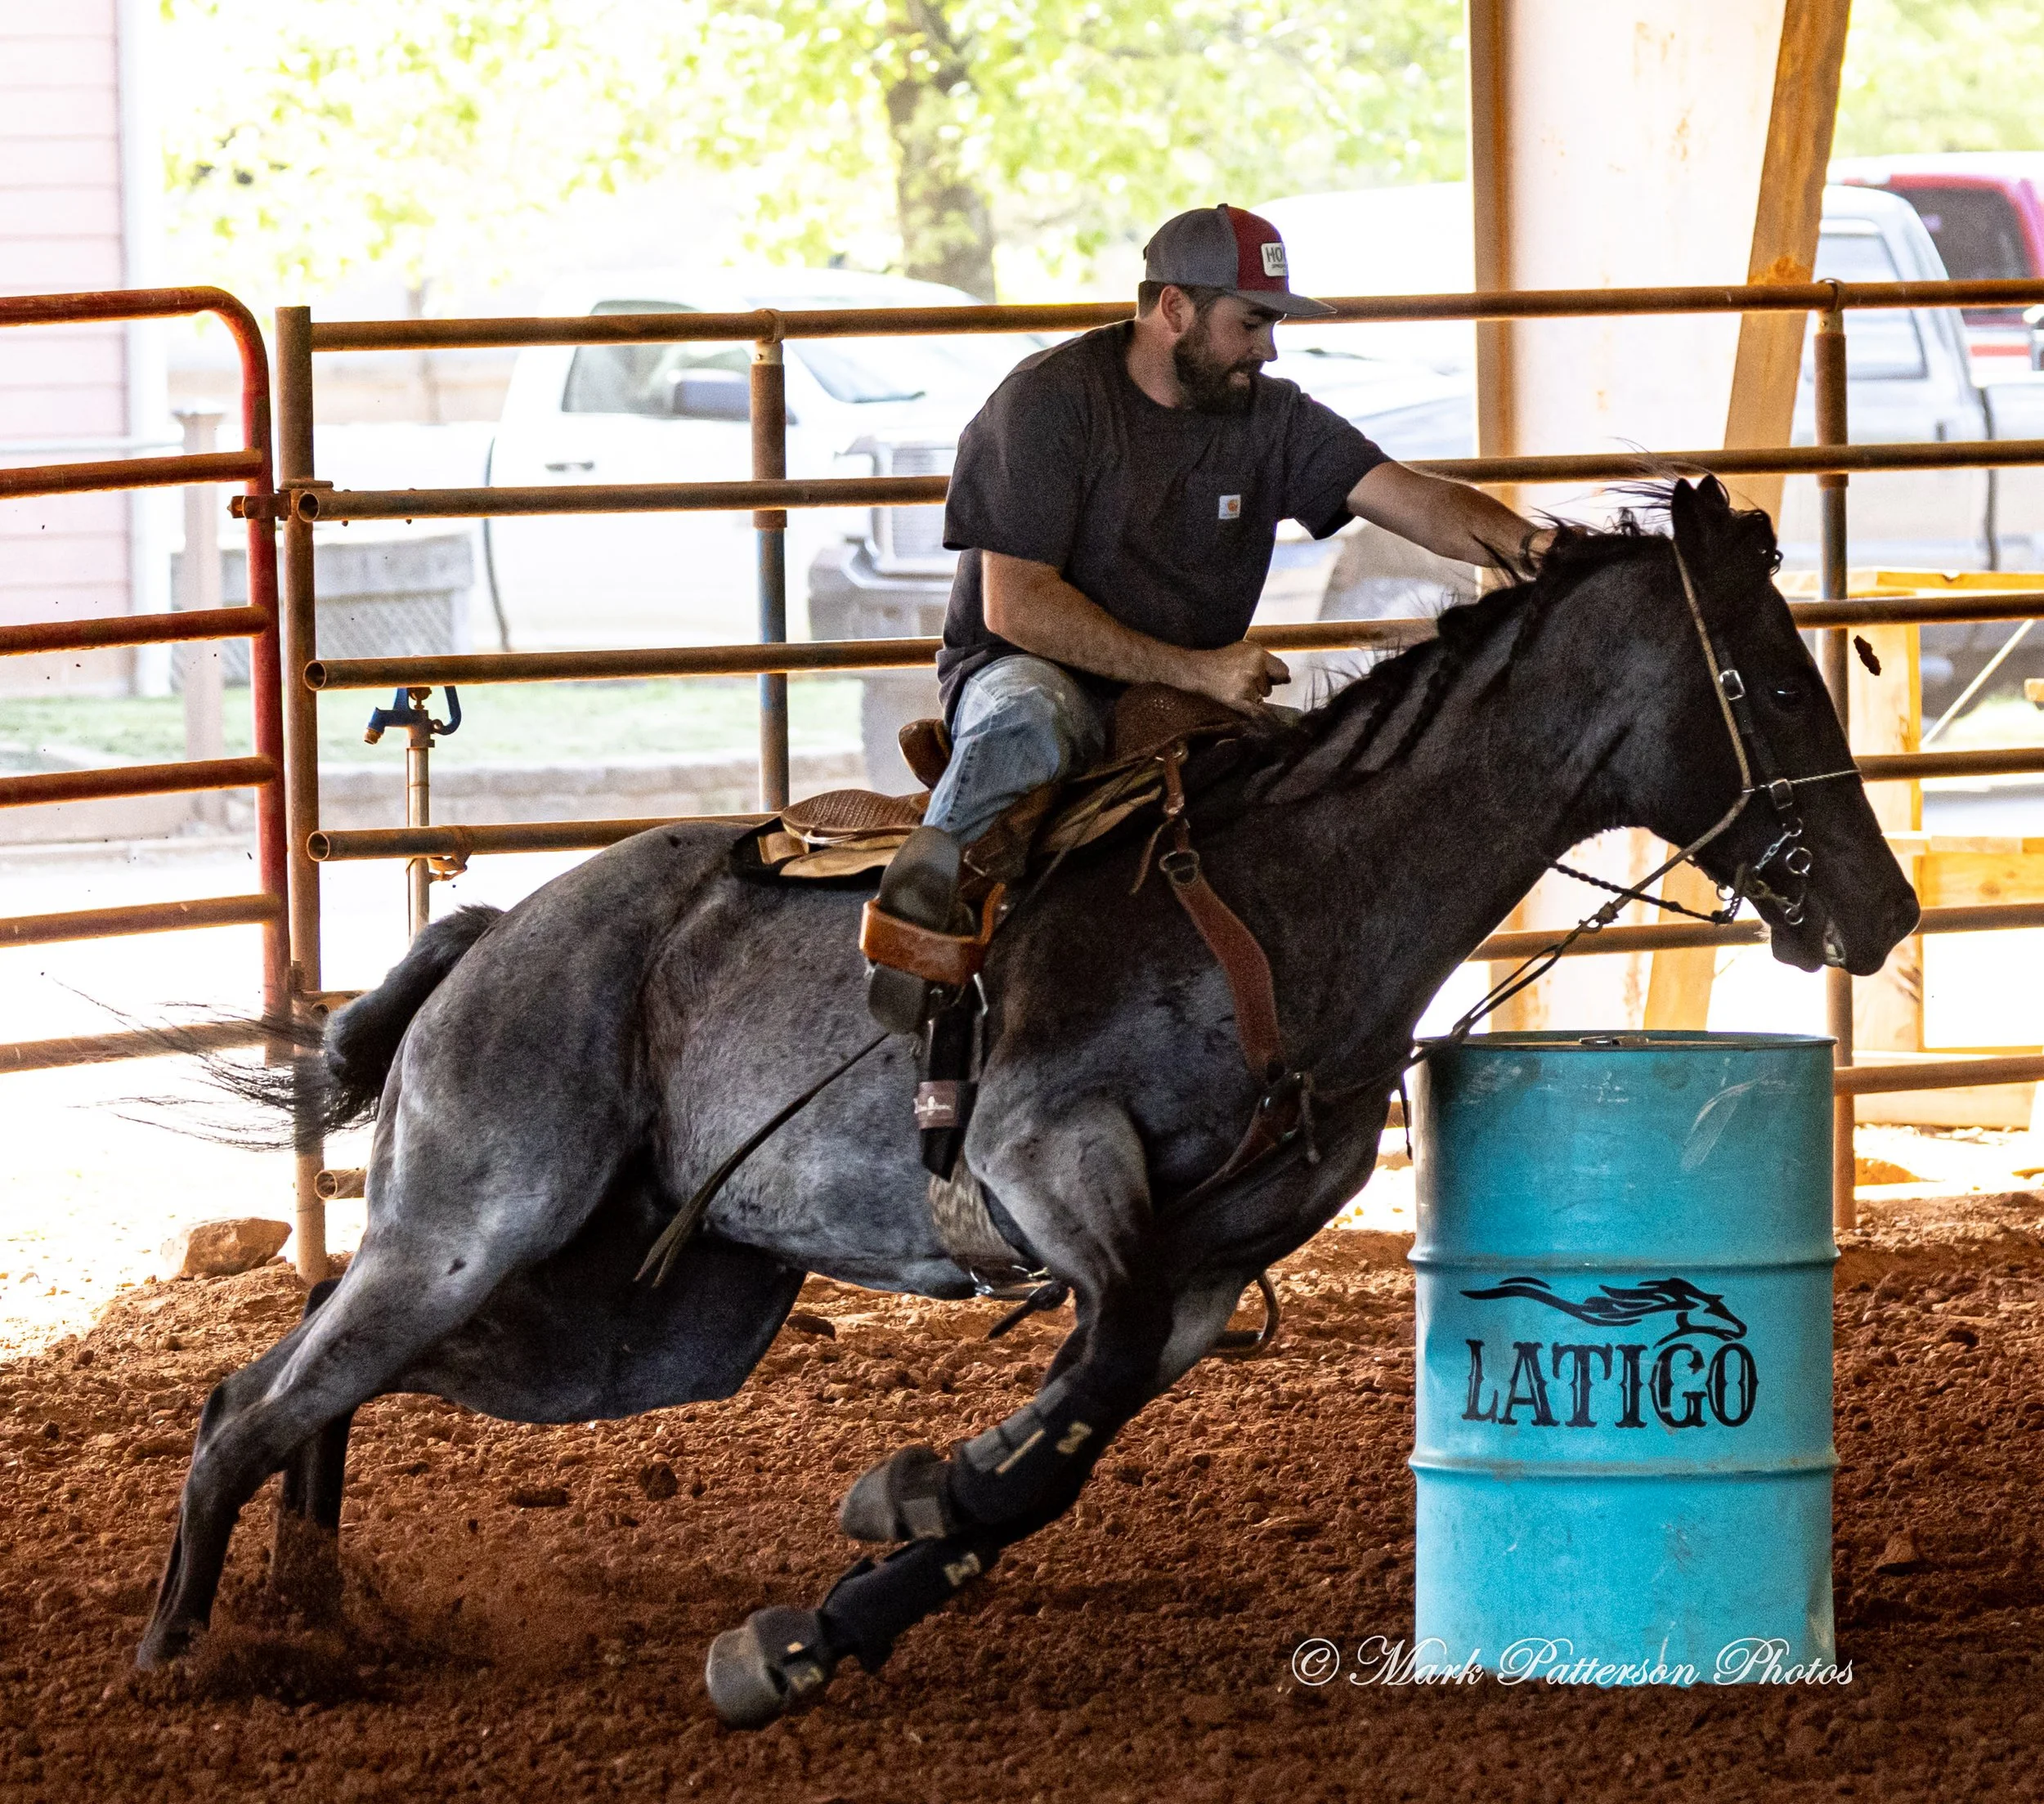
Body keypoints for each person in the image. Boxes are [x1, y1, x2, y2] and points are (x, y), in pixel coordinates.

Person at [864, 201, 1555, 1032]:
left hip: (1181, 691)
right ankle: (917, 918)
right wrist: (1198, 669)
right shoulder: (1048, 402)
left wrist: (1538, 549)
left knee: (1326, 782)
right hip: (1036, 668)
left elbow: (1407, 497)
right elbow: (1018, 605)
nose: (1268, 346)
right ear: (1174, 310)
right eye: (1253, 321)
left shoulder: (1269, 415)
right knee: (1025, 722)